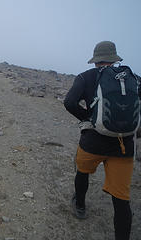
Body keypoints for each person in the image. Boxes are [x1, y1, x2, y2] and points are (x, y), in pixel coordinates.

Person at [64, 41, 136, 240]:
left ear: (95, 60)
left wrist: (87, 118)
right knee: (121, 199)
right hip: (124, 146)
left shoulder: (85, 77)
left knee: (82, 172)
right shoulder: (132, 78)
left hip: (92, 142)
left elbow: (69, 102)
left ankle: (79, 206)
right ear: (114, 58)